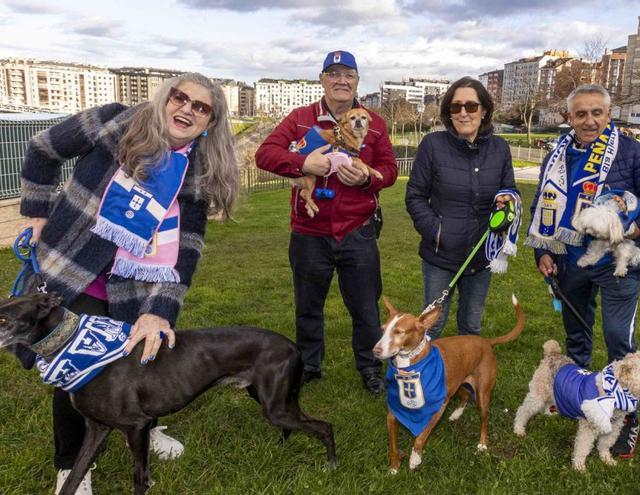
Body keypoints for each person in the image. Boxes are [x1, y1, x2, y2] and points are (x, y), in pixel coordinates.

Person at [18, 72, 239, 494]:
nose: (186, 109)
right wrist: (36, 210)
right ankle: (70, 465)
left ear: (210, 122)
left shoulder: (197, 172)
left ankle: (144, 426)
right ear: (165, 97)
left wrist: (159, 311)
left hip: (136, 287)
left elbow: (186, 250)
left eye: (200, 107)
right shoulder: (114, 122)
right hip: (72, 269)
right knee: (78, 369)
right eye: (180, 98)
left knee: (144, 358)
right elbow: (43, 149)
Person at [527, 84, 640, 458]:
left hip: (617, 262)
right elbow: (541, 204)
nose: (589, 120)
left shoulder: (632, 151)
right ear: (569, 118)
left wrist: (635, 230)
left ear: (609, 115)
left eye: (597, 113)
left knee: (619, 340)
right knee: (576, 336)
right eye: (580, 114)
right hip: (569, 259)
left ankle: (626, 415)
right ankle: (577, 398)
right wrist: (542, 250)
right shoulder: (556, 154)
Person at [255, 50, 397, 395]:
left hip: (357, 230)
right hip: (310, 232)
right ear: (322, 80)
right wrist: (304, 163)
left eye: (348, 74)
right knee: (308, 305)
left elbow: (390, 170)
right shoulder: (301, 118)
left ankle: (369, 365)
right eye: (333, 74)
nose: (341, 80)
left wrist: (366, 180)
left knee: (365, 306)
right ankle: (309, 365)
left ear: (357, 81)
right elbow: (265, 154)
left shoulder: (373, 121)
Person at [405, 77, 517, 339]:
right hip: (440, 255)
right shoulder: (433, 145)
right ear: (448, 112)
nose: (464, 113)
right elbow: (415, 196)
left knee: (471, 325)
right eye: (456, 107)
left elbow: (509, 191)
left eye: (471, 106)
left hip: (481, 255)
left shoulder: (500, 148)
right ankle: (428, 378)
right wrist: (437, 231)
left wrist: (507, 203)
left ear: (485, 110)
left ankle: (467, 378)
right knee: (431, 327)